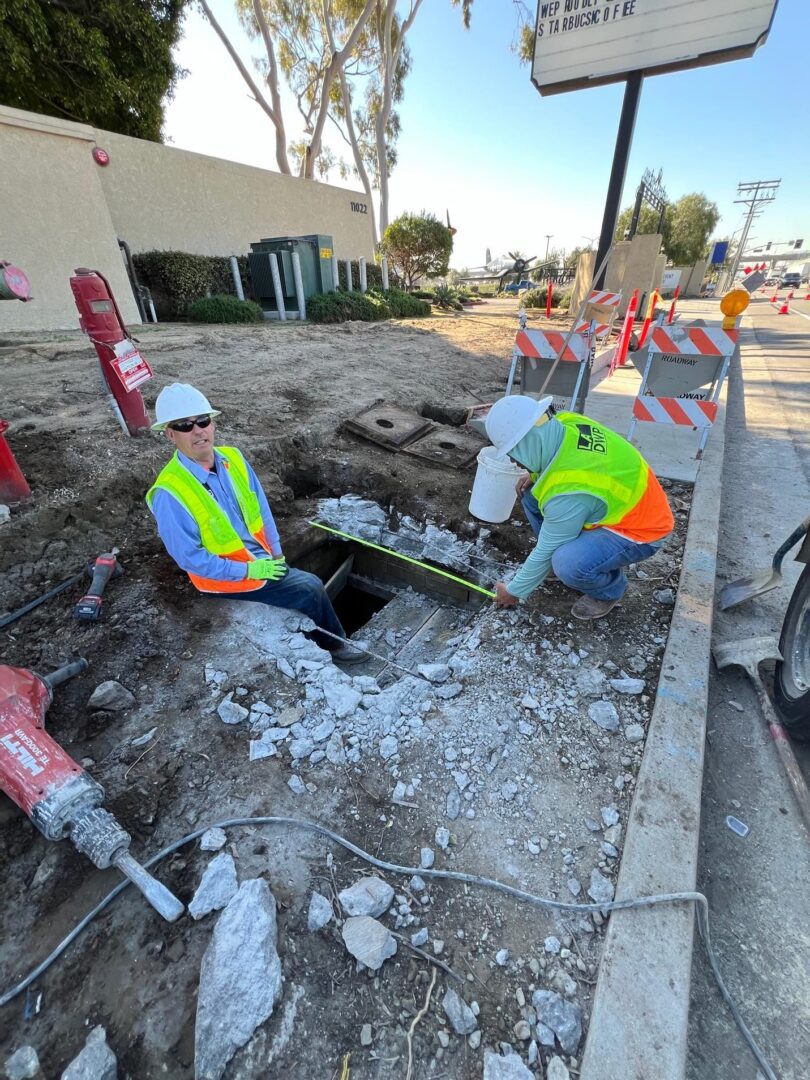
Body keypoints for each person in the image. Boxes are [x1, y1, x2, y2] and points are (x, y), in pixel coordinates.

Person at [146, 383, 364, 661]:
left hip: (259, 559)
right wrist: (249, 571)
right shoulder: (170, 492)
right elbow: (190, 559)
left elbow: (262, 512)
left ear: (212, 424)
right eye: (185, 425)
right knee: (309, 587)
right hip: (225, 579)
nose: (198, 430)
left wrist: (277, 554)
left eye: (203, 420)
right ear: (170, 434)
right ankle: (335, 645)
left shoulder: (233, 459)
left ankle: (317, 625)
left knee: (297, 580)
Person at [485, 395, 674, 620]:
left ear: (528, 444)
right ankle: (564, 560)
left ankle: (610, 590)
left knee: (568, 563)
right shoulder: (563, 422)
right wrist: (534, 472)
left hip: (640, 529)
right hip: (621, 502)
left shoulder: (569, 490)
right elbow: (560, 458)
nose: (513, 462)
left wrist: (514, 592)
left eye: (513, 453)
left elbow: (546, 547)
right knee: (531, 493)